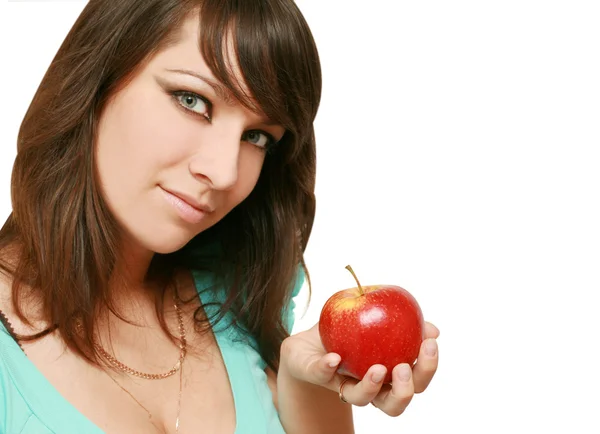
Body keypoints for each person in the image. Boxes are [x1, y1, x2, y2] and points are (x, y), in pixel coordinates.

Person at [0, 0, 440, 432]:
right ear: (97, 78)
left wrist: (307, 384)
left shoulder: (237, 298)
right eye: (192, 100)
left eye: (257, 137)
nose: (225, 171)